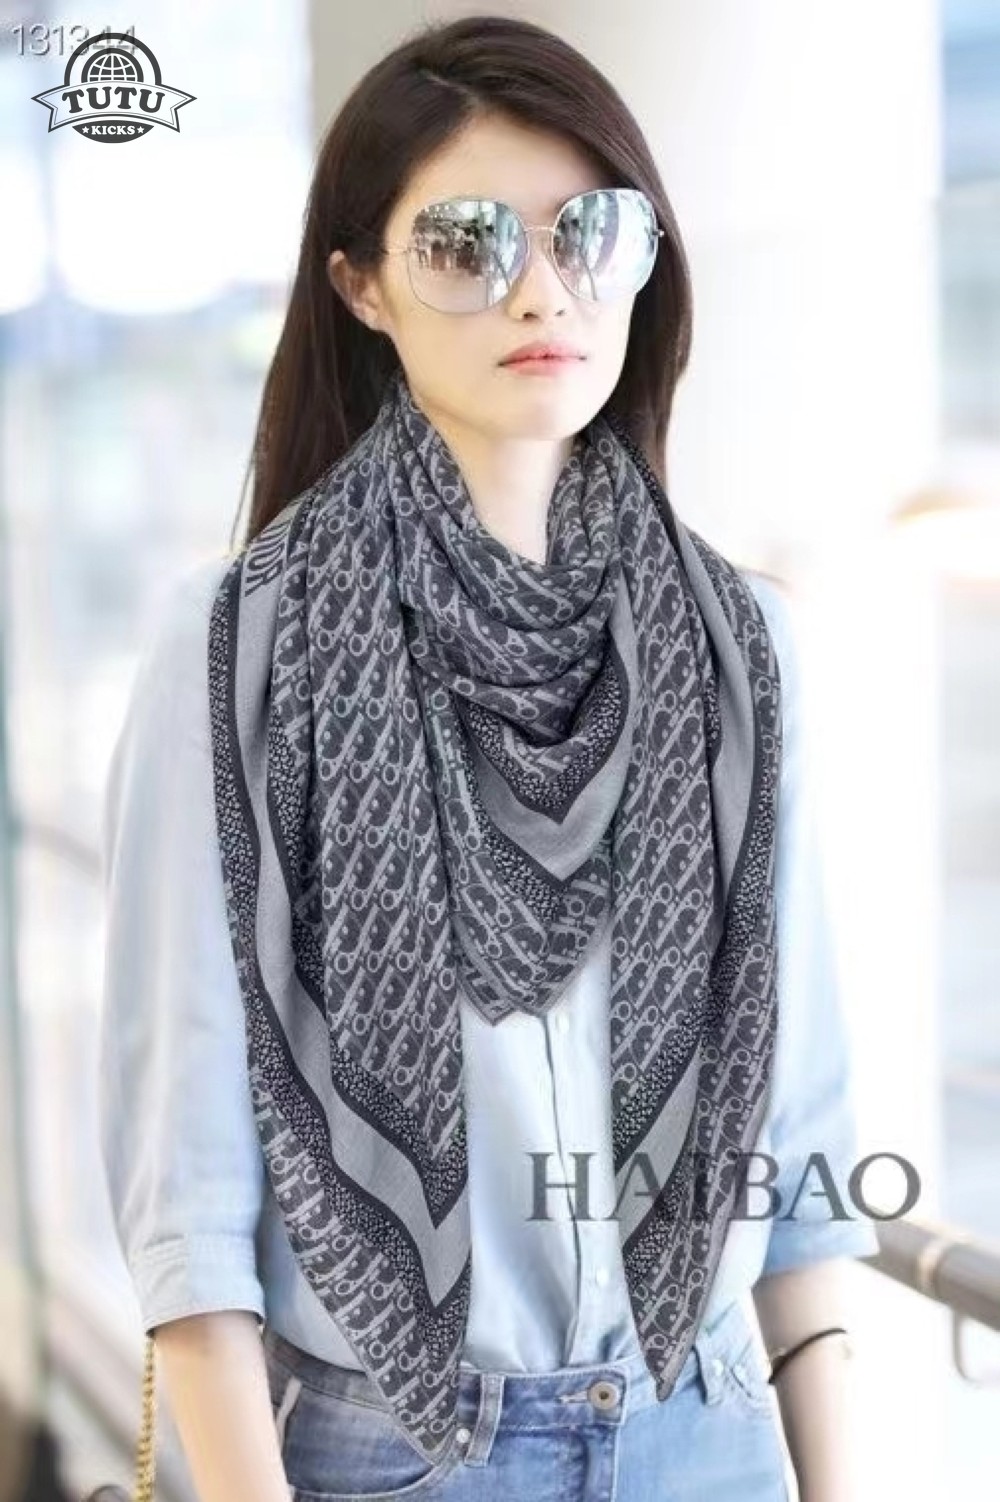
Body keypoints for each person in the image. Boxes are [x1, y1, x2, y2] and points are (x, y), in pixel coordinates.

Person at [98, 14, 879, 1502]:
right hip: (392, 1450)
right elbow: (186, 1186)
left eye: (592, 232)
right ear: (362, 284)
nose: (542, 287)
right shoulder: (236, 646)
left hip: (707, 1427)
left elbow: (804, 1141)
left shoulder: (741, 643)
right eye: (467, 241)